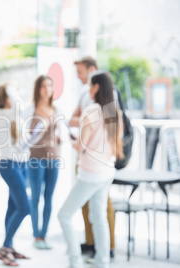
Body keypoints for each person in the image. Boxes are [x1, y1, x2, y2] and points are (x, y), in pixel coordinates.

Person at [58, 71, 123, 268]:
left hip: (90, 173)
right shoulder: (114, 112)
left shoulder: (91, 111)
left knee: (64, 215)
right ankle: (103, 261)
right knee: (99, 216)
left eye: (90, 86)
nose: (88, 89)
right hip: (106, 172)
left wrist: (70, 140)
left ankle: (75, 261)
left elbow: (82, 146)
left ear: (96, 87)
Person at [69, 57, 116, 258]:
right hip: (102, 166)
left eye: (81, 72)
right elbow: (73, 118)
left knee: (67, 214)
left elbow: (82, 144)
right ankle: (98, 251)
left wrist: (73, 137)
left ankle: (99, 252)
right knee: (95, 212)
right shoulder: (108, 109)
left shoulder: (97, 107)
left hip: (94, 167)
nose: (79, 77)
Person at [0, 84, 31, 266]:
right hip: (9, 165)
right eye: (12, 93)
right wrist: (13, 90)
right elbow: (19, 106)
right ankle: (5, 248)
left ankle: (10, 247)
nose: (15, 95)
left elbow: (23, 140)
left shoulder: (14, 116)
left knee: (13, 206)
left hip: (22, 164)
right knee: (25, 207)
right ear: (5, 96)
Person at [28, 75, 62, 250]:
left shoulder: (54, 109)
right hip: (36, 158)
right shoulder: (31, 109)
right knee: (35, 198)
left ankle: (44, 234)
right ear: (38, 88)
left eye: (50, 85)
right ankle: (36, 235)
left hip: (54, 158)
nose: (47, 89)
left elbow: (58, 131)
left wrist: (59, 137)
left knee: (49, 198)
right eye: (43, 86)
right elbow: (25, 133)